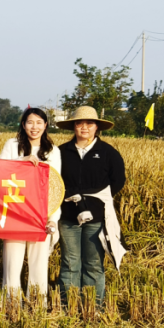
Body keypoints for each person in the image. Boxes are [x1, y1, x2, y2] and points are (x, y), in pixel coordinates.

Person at [55, 106, 126, 305]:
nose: (84, 127)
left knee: (94, 262)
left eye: (89, 123)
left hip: (97, 217)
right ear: (73, 127)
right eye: (79, 123)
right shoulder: (61, 152)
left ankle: (93, 306)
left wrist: (95, 201)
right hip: (68, 216)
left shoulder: (108, 153)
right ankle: (68, 305)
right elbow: (52, 180)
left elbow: (118, 180)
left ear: (97, 127)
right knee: (70, 262)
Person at [0, 107, 61, 302]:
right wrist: (21, 162)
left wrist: (53, 219)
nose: (34, 127)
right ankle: (11, 305)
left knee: (39, 263)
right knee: (12, 263)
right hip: (14, 213)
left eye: (39, 123)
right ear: (23, 125)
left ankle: (37, 305)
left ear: (46, 125)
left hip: (40, 214)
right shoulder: (12, 145)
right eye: (30, 122)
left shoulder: (53, 151)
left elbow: (56, 187)